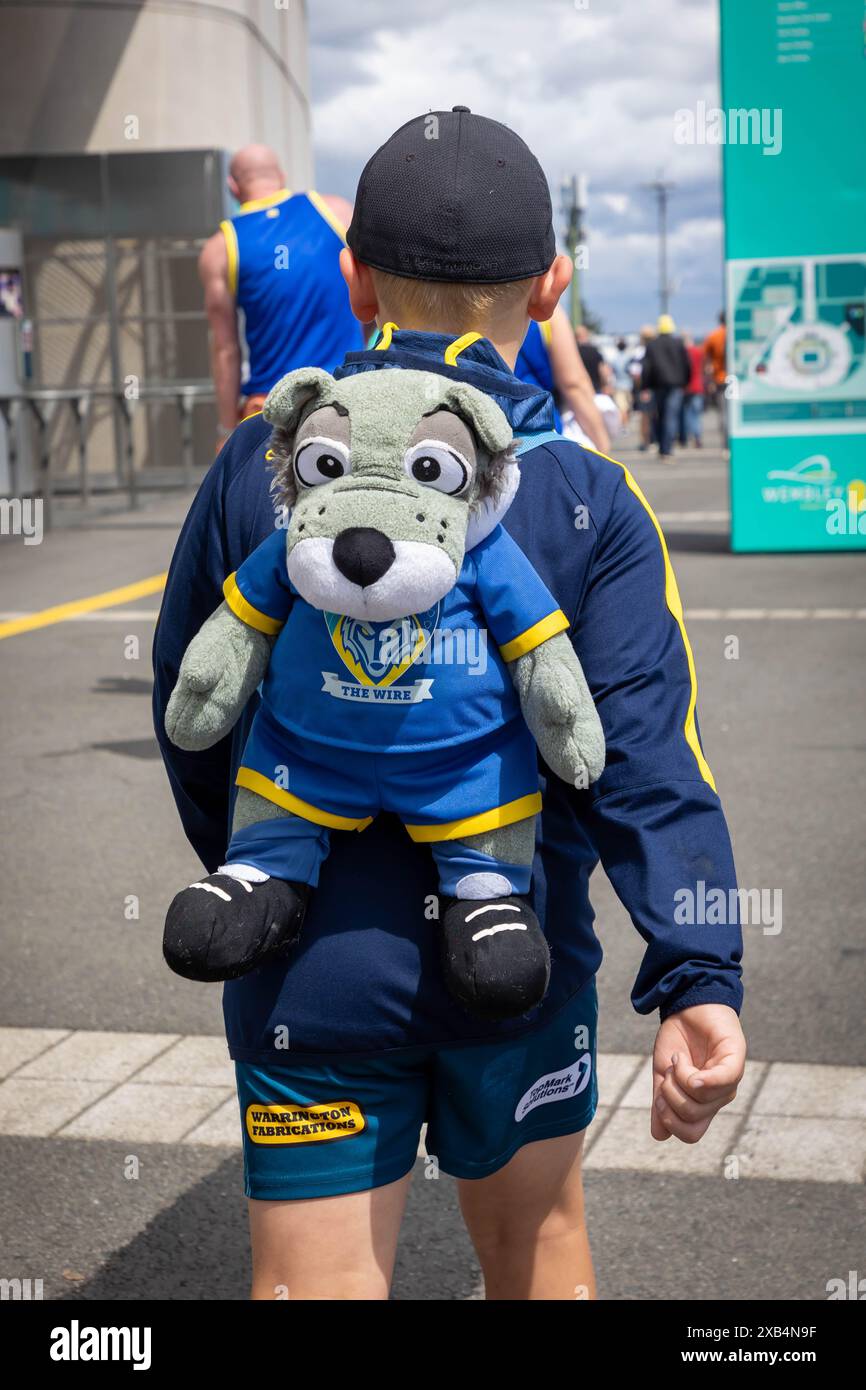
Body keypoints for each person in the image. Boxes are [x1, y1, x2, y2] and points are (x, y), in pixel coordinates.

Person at [154, 107, 745, 1301]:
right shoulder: (589, 497)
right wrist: (698, 971)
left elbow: (194, 707)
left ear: (353, 272)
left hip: (308, 969)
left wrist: (266, 871)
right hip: (517, 953)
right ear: (552, 286)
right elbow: (638, 750)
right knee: (538, 1258)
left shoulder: (259, 468)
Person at [198, 144, 363, 452]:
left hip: (273, 415)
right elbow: (371, 293)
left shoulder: (219, 249)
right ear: (282, 177)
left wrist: (225, 428)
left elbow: (225, 349)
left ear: (232, 187)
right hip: (346, 399)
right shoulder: (336, 212)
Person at [514, 307, 611, 453]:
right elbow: (573, 384)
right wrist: (602, 445)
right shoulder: (546, 313)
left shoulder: (471, 301)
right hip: (537, 433)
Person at [640, 314, 691, 460]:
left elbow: (646, 367)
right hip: (676, 385)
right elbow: (686, 365)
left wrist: (645, 386)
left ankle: (663, 447)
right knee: (671, 416)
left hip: (658, 385)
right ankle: (668, 448)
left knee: (661, 416)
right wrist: (685, 382)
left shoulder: (652, 345)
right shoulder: (678, 343)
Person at [703, 310, 728, 442]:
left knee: (724, 413)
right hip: (738, 379)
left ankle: (726, 444)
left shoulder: (714, 336)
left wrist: (709, 380)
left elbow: (705, 359)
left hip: (720, 379)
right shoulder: (736, 334)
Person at [680, 333, 705, 447]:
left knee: (686, 413)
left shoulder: (683, 353)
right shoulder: (698, 352)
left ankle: (686, 437)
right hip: (698, 385)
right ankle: (697, 436)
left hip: (686, 387)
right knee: (696, 413)